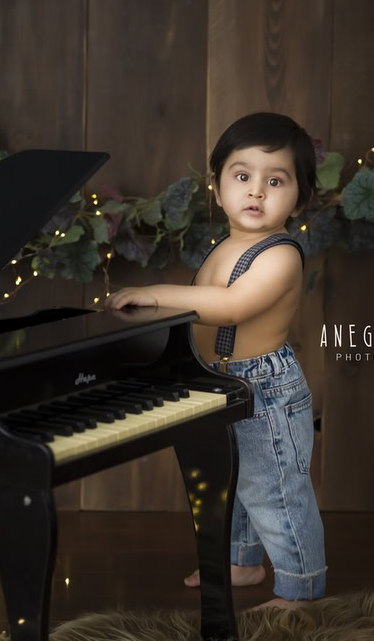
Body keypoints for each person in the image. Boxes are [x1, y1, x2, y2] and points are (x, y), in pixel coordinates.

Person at [103, 112, 327, 612]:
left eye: (276, 181)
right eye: (242, 176)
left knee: (275, 490)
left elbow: (231, 307)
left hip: (264, 391)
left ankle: (301, 588)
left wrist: (155, 293)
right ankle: (243, 561)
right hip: (217, 380)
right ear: (218, 185)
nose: (256, 192)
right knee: (230, 480)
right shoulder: (226, 244)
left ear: (301, 196)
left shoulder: (280, 256)